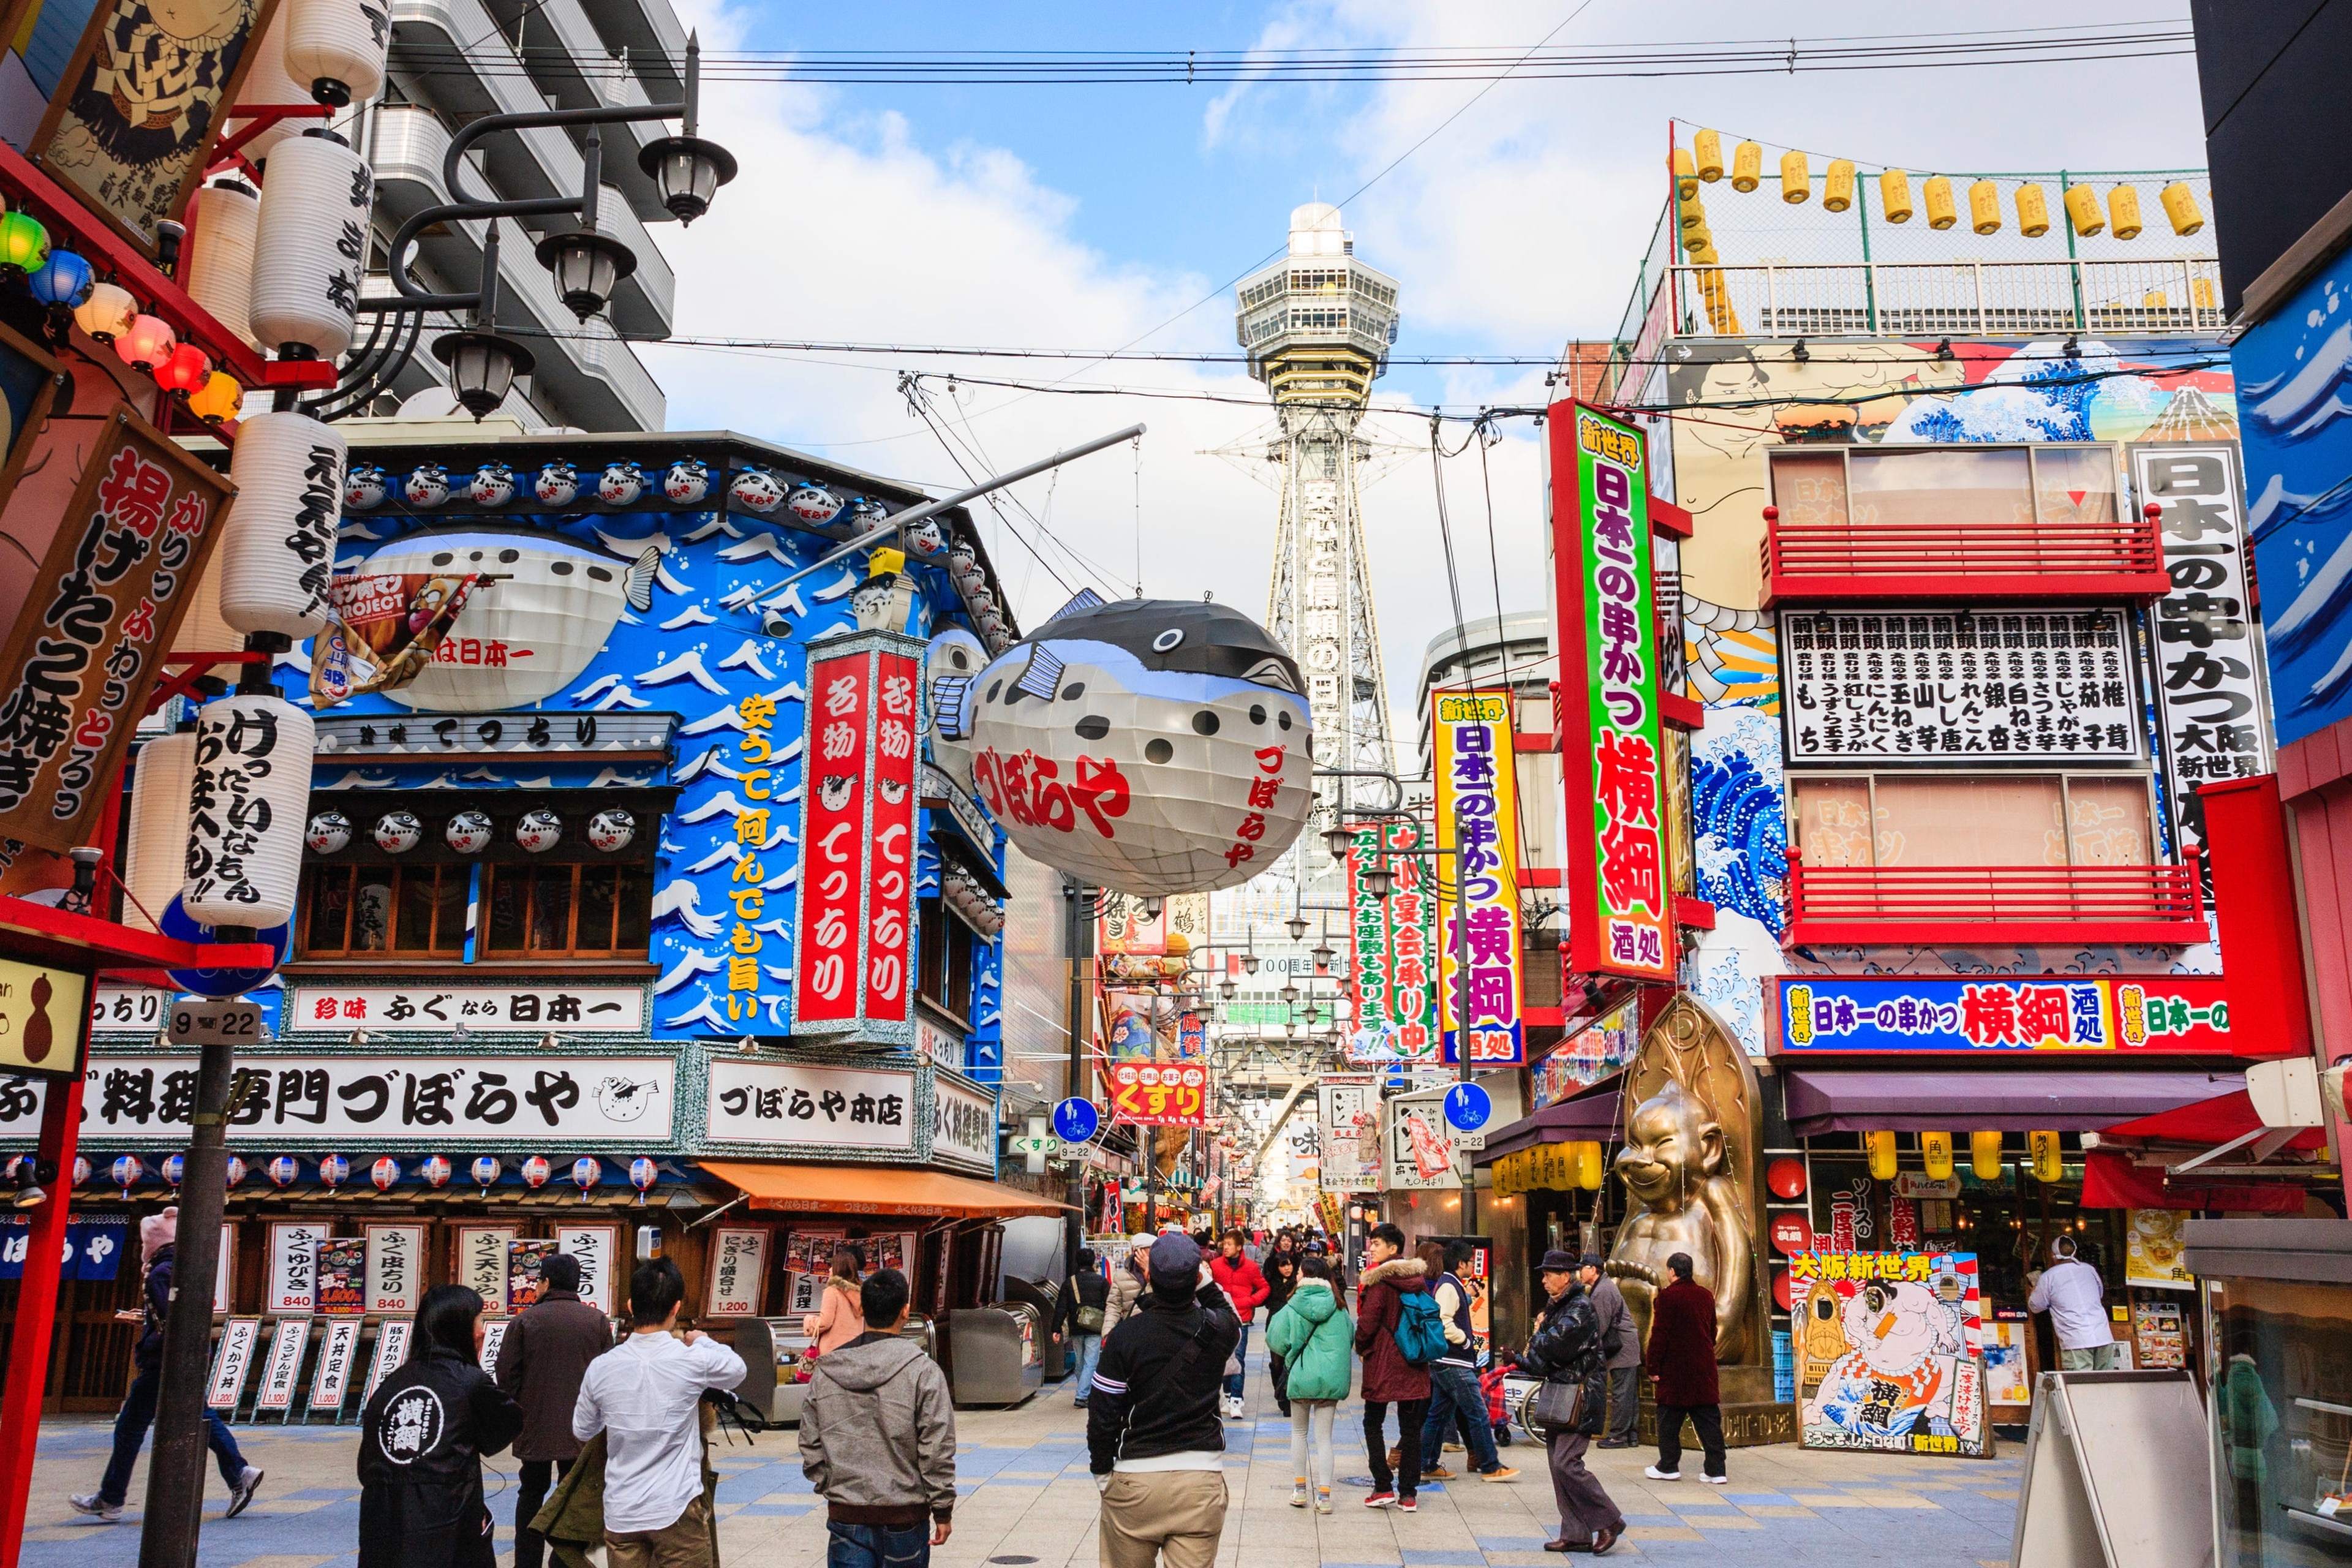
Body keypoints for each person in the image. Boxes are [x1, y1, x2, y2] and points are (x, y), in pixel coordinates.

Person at [71, 1209, 265, 1523]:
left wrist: (156, 1330)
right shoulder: (188, 1267)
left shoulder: (161, 1272)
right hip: (186, 1357)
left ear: (153, 1242)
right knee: (201, 1416)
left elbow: (174, 1319)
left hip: (165, 1361)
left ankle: (111, 1497)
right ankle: (239, 1472)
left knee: (131, 1427)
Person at [573, 1257, 748, 1567]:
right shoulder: (691, 1360)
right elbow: (737, 1370)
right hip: (677, 1507)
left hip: (622, 1510)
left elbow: (583, 1430)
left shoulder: (601, 1368)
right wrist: (704, 1342)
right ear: (676, 1308)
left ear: (630, 1306)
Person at [1087, 1232, 1242, 1568]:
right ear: (1197, 1277)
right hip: (1200, 1481)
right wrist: (1204, 1283)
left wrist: (1102, 1471)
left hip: (1135, 1481)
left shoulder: (1125, 1337)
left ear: (1148, 1275)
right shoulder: (1219, 1330)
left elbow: (1103, 1413)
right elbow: (1229, 1315)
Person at [356, 1284, 526, 1568]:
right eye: (479, 1320)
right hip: (446, 1516)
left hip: (380, 1516)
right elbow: (507, 1425)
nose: (483, 1331)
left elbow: (367, 1460)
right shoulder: (469, 1381)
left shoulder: (392, 1382)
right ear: (458, 1328)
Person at [801, 1267, 957, 1568]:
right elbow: (936, 1446)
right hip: (905, 1514)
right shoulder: (922, 1372)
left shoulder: (827, 1371)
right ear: (905, 1311)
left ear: (862, 1309)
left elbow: (810, 1440)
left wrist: (831, 1486)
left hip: (847, 1513)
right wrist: (942, 1509)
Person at [495, 1252, 614, 1568]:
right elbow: (609, 1375)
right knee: (572, 1496)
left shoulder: (525, 1322)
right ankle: (564, 1561)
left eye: (538, 1281)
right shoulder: (598, 1322)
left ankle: (527, 1562)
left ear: (546, 1283)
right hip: (582, 1430)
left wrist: (515, 1412)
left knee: (531, 1491)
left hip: (534, 1425)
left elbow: (507, 1374)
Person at [1519, 1249, 1623, 1556]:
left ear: (1566, 1277)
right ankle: (1576, 1533)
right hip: (1560, 1396)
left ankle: (1610, 1520)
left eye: (1549, 1274)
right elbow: (1540, 1360)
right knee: (1557, 1464)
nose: (1544, 1280)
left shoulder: (1578, 1309)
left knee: (1567, 1463)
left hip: (1580, 1397)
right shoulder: (1560, 1307)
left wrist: (1538, 1334)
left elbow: (1549, 1346)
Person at [1417, 1242, 1518, 1483]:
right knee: (1478, 1413)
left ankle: (1426, 1464)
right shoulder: (1449, 1286)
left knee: (1438, 1416)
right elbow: (1443, 1320)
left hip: (1446, 1361)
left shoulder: (1451, 1284)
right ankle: (1491, 1466)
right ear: (1461, 1263)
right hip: (1454, 1362)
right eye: (1470, 1261)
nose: (1473, 1265)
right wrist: (1463, 1341)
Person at [1352, 1222, 1433, 1511]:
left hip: (1384, 1363)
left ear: (1393, 1249)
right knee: (1410, 1429)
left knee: (1373, 1423)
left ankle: (1383, 1486)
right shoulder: (1417, 1280)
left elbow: (1367, 1323)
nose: (1371, 1248)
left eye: (1376, 1244)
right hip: (1414, 1361)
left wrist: (1361, 1347)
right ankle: (1409, 1494)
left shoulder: (1380, 1283)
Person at [1265, 1254, 1352, 1513]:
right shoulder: (1339, 1306)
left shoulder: (1292, 1306)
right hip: (1330, 1380)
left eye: (1300, 1273)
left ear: (1305, 1276)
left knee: (1299, 1434)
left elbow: (1275, 1340)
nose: (1297, 1276)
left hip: (1301, 1377)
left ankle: (1300, 1491)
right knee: (1324, 1438)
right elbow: (1349, 1338)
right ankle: (1324, 1497)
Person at [1644, 1251, 1726, 1485]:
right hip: (1703, 1368)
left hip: (1675, 1369)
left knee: (1669, 1420)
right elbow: (1712, 1330)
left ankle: (1669, 1466)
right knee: (1709, 1421)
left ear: (1671, 1271)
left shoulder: (1667, 1297)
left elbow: (1659, 1335)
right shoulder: (1705, 1296)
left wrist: (1653, 1366)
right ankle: (1716, 1469)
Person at [2028, 1234, 2118, 1370]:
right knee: (2106, 1384)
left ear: (2053, 1255)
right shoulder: (2089, 1269)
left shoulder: (2048, 1277)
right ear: (2075, 1252)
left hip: (2076, 1339)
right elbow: (2100, 1294)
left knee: (2080, 1386)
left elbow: (2035, 1306)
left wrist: (2034, 1291)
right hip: (2102, 1335)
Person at [1580, 1255, 1641, 1449]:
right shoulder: (1603, 1287)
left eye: (1582, 1268)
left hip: (1622, 1348)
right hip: (1626, 1346)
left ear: (1593, 1269)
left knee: (1622, 1393)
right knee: (1628, 1392)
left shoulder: (1602, 1291)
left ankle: (1618, 1436)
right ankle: (1630, 1435)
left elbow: (1600, 1326)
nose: (1579, 1272)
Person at [1207, 1228, 1268, 1419]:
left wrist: (1250, 1301)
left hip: (1242, 1319)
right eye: (1224, 1244)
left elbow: (1264, 1287)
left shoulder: (1250, 1267)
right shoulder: (1215, 1265)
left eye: (1229, 1245)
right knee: (1223, 1358)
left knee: (1239, 1358)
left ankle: (1236, 1400)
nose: (1225, 1247)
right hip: (1221, 1318)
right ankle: (1227, 1396)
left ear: (1239, 1247)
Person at [1056, 1248, 1111, 1408]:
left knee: (1080, 1362)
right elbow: (1110, 1304)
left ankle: (1084, 1392)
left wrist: (1056, 1328)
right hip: (1094, 1328)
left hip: (1076, 1327)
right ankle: (1082, 1395)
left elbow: (1061, 1306)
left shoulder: (1069, 1282)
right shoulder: (1101, 1281)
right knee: (1091, 1362)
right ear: (1093, 1261)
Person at [802, 1244, 868, 1357]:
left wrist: (809, 1320)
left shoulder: (832, 1291)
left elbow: (824, 1323)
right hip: (855, 1351)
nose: (829, 1269)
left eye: (832, 1266)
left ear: (838, 1269)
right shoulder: (860, 1293)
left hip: (833, 1353)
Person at [1261, 1252, 1300, 1416]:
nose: (1287, 1268)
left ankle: (1287, 1399)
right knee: (1277, 1363)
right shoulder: (1270, 1283)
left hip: (1294, 1326)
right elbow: (1264, 1300)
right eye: (1283, 1265)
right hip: (1276, 1326)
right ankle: (1279, 1389)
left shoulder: (1298, 1282)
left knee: (1291, 1362)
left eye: (1289, 1264)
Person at [1102, 1234, 1153, 1337]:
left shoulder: (1161, 1272)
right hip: (1131, 1332)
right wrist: (1108, 1332)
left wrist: (1150, 1271)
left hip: (1155, 1331)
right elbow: (1114, 1305)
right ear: (1137, 1252)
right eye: (1150, 1250)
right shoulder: (1121, 1275)